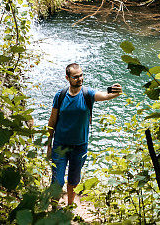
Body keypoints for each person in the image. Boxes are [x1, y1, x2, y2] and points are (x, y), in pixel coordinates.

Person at [46, 63, 122, 208]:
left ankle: (69, 207)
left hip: (80, 146)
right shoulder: (60, 96)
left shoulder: (88, 94)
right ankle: (54, 208)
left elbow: (105, 95)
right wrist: (49, 144)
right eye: (75, 77)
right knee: (58, 181)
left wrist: (116, 92)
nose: (80, 78)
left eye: (81, 75)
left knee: (74, 180)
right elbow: (52, 120)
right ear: (67, 78)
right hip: (60, 145)